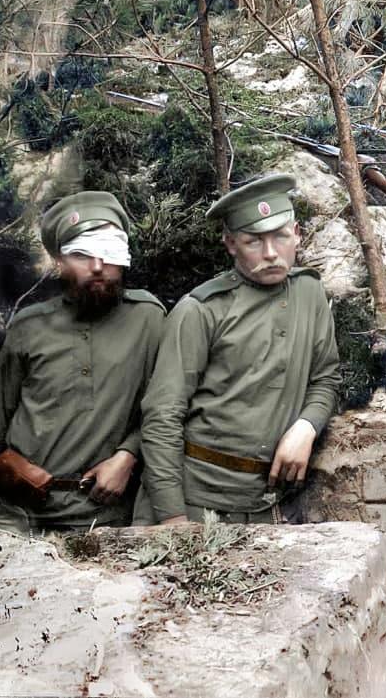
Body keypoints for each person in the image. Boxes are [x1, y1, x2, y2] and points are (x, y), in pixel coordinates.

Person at [140, 173, 341, 525]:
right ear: (231, 244)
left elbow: (325, 378)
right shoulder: (201, 309)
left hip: (268, 505)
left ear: (297, 235)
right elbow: (162, 416)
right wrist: (172, 517)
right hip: (195, 504)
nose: (270, 253)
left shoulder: (310, 294)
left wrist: (306, 427)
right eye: (253, 241)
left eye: (280, 237)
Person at [0, 191, 165, 534]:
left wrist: (128, 455)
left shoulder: (149, 318)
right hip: (16, 518)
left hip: (104, 519)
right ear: (60, 261)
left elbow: (165, 406)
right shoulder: (29, 325)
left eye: (109, 250)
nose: (98, 265)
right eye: (82, 254)